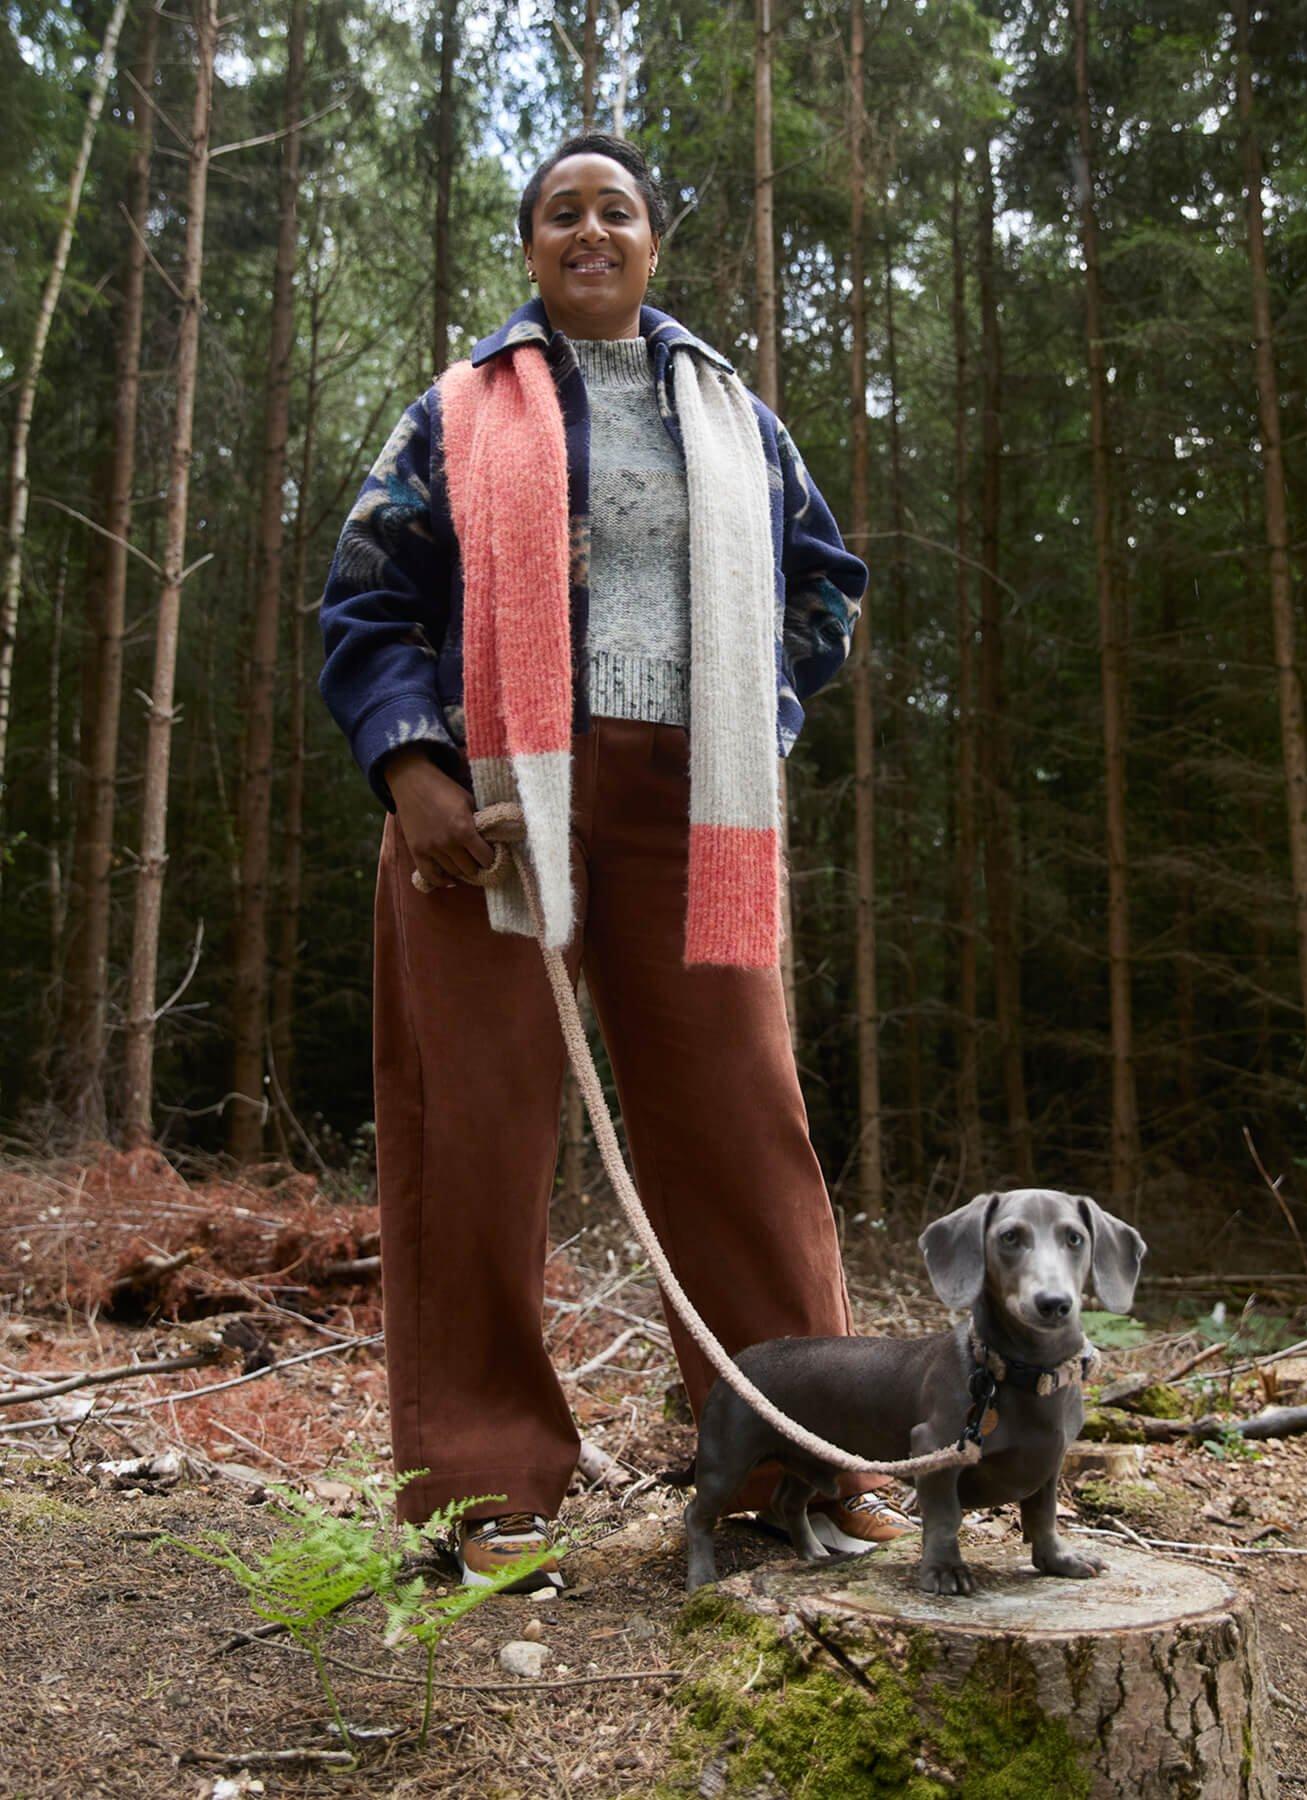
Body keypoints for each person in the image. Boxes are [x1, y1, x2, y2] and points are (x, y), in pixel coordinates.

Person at [318, 132, 910, 1590]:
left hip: (686, 807)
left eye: (617, 209)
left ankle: (794, 1458)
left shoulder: (733, 417)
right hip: (493, 805)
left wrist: (751, 716)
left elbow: (823, 590)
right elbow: (366, 600)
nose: (589, 230)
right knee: (477, 1130)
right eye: (559, 212)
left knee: (740, 1121)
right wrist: (411, 767)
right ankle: (484, 1492)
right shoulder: (457, 411)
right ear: (530, 249)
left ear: (655, 243)